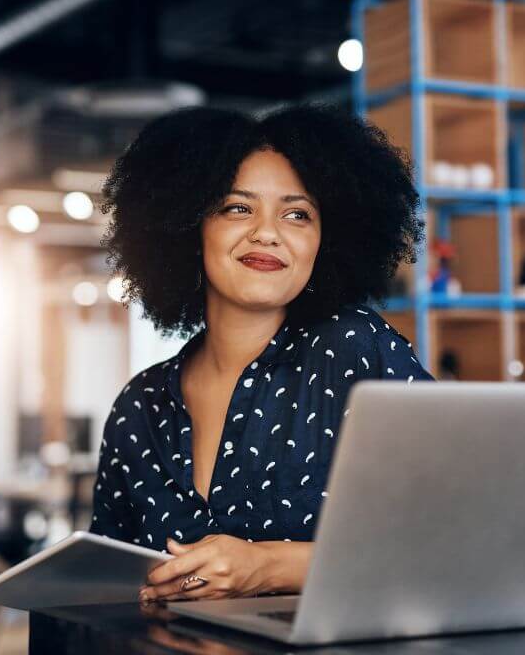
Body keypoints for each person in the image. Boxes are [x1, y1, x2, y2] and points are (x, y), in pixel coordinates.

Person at [89, 102, 434, 604]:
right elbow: (102, 584)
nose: (267, 232)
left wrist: (269, 565)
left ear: (326, 240)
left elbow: (449, 536)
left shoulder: (354, 351)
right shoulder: (140, 407)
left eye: (297, 214)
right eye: (238, 207)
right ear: (188, 225)